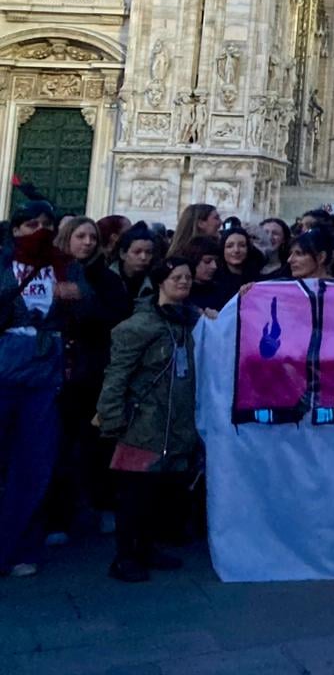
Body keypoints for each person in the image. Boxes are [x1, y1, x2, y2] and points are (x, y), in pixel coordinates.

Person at [97, 257, 204, 583]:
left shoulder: (189, 322)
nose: (183, 282)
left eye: (187, 277)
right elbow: (117, 375)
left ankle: (145, 547)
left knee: (157, 492)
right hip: (142, 422)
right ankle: (125, 556)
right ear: (160, 282)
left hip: (174, 423)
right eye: (176, 277)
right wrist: (112, 417)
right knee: (135, 493)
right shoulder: (139, 326)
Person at [0, 199, 90, 578]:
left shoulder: (65, 266)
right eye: (31, 224)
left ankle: (17, 546)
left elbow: (89, 308)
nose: (39, 231)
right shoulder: (4, 262)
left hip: (45, 371)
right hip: (6, 365)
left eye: (46, 224)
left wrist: (77, 296)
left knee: (34, 461)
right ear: (16, 229)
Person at [45, 216, 127, 545]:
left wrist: (84, 300)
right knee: (58, 446)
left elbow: (117, 318)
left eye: (92, 236)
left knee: (97, 444)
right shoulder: (48, 273)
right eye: (80, 236)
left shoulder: (105, 278)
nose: (88, 242)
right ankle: (57, 517)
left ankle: (101, 504)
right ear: (67, 238)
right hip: (54, 370)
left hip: (91, 371)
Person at [183, 237, 232, 313]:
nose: (214, 266)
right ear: (193, 260)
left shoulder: (223, 290)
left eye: (216, 261)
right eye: (207, 261)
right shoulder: (181, 294)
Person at [110, 224, 160, 301]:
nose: (143, 257)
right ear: (122, 253)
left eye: (148, 252)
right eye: (137, 252)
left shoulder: (156, 283)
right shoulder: (105, 280)